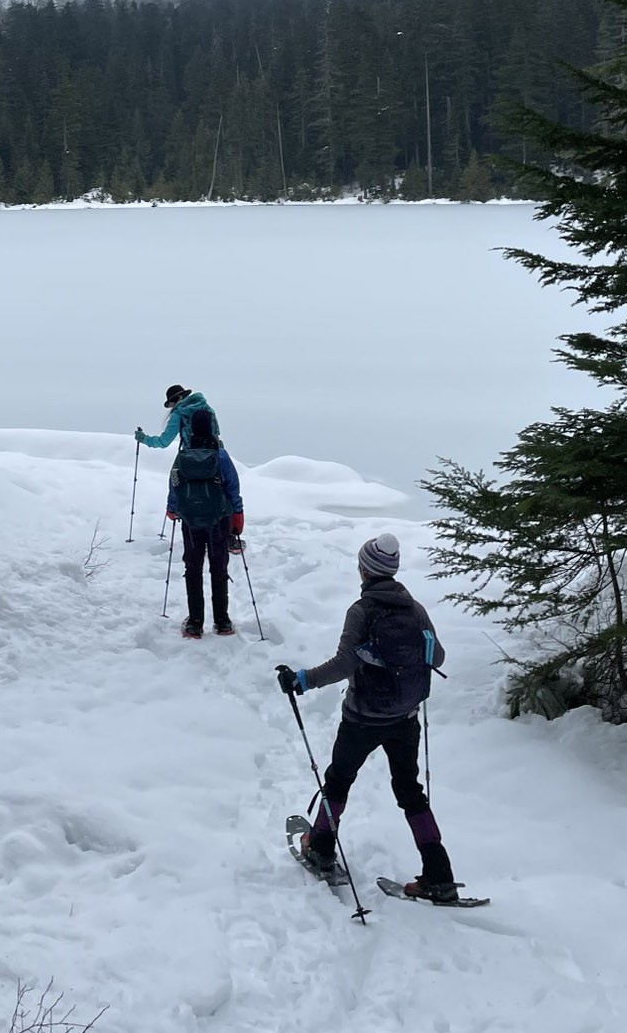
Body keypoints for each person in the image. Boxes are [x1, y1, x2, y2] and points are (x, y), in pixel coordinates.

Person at [276, 532, 460, 903]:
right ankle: (439, 876)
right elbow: (437, 657)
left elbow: (344, 663)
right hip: (405, 718)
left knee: (338, 781)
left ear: (364, 570)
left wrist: (302, 680)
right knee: (410, 792)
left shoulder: (361, 611)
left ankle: (321, 848)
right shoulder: (415, 609)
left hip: (362, 718)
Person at [136, 387, 244, 551]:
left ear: (176, 399)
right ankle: (228, 536)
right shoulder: (207, 408)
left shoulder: (179, 413)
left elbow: (164, 441)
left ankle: (194, 532)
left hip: (190, 457)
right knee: (221, 489)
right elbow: (216, 433)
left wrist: (144, 439)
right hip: (215, 454)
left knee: (187, 488)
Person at [170, 406, 243, 638]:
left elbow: (174, 481)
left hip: (191, 520)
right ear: (211, 427)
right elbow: (232, 486)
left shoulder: (184, 454)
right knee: (218, 567)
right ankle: (222, 622)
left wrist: (172, 508)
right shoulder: (220, 455)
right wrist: (237, 513)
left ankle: (195, 623)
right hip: (219, 519)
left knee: (193, 568)